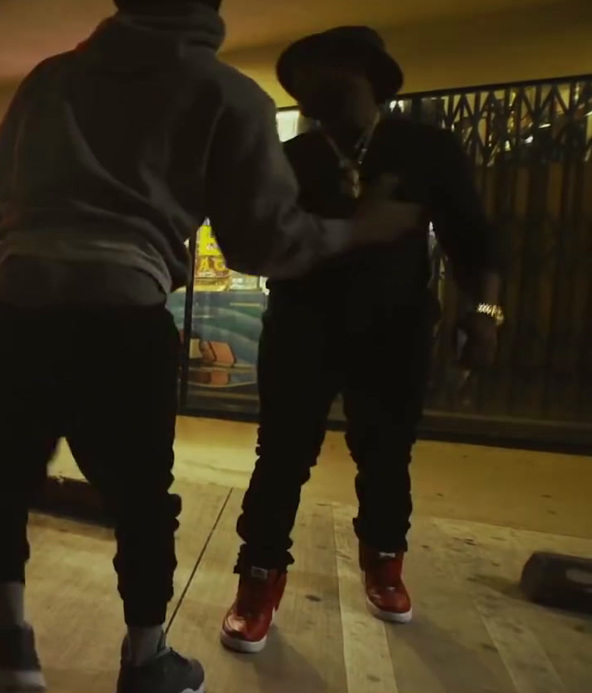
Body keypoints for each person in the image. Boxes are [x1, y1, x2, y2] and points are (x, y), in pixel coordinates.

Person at [0, 0, 424, 690]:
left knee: (0, 480)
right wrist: (358, 229)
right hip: (123, 314)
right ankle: (146, 661)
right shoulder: (230, 96)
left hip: (18, 309)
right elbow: (260, 242)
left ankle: (10, 653)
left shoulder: (48, 80)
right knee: (141, 500)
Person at [219, 26, 503, 654]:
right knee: (282, 456)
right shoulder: (290, 160)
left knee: (386, 454)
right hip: (300, 328)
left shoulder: (425, 148)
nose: (319, 90)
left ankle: (384, 561)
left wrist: (484, 314)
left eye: (335, 76)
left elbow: (473, 241)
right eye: (308, 83)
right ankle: (259, 578)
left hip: (395, 328)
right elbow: (258, 246)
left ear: (372, 77)